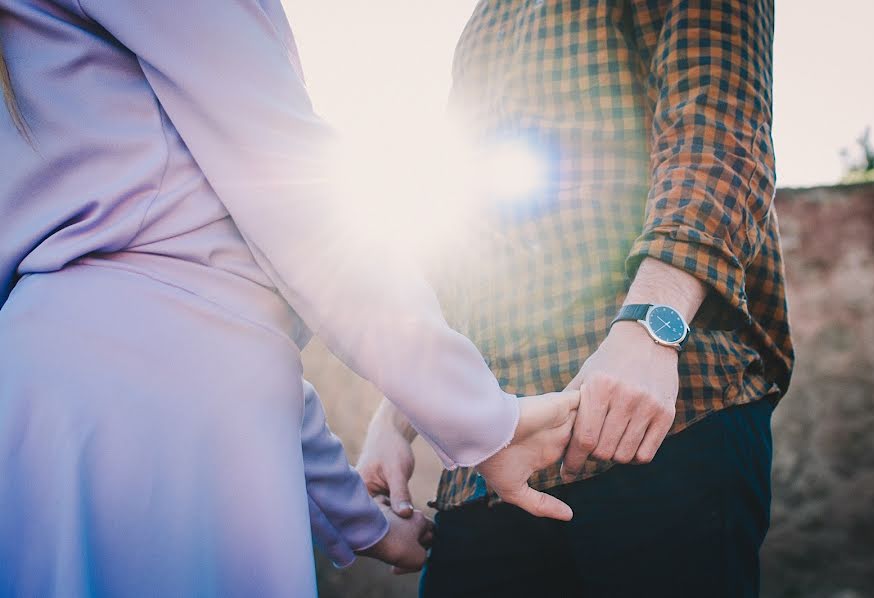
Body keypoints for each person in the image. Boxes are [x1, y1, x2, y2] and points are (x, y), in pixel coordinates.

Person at [0, 1, 581, 596]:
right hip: (163, 415)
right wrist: (483, 416)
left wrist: (363, 523)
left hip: (40, 403)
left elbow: (203, 307)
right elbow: (290, 194)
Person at [357, 1, 795, 596]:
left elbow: (718, 130)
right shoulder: (485, 22)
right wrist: (396, 416)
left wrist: (649, 327)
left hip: (663, 426)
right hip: (490, 466)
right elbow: (462, 241)